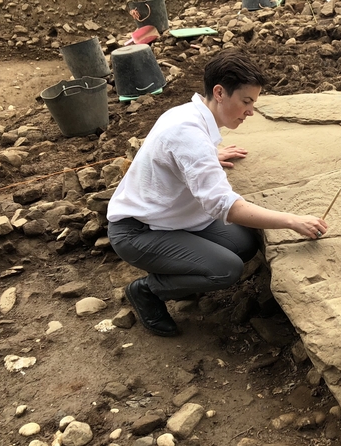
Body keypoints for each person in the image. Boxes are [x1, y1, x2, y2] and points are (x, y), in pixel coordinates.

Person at [106, 49, 328, 337]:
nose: (251, 111)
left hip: (173, 220)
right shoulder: (188, 134)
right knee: (227, 269)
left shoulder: (190, 116)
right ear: (220, 92)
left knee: (244, 243)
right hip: (138, 232)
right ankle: (148, 291)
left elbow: (184, 154)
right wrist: (292, 221)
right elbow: (228, 207)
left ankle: (184, 275)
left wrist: (211, 155)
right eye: (246, 101)